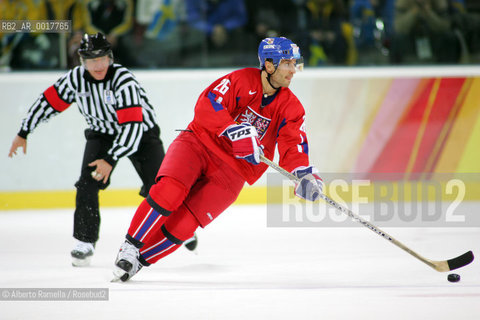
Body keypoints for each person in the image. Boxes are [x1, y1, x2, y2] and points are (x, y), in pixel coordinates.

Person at [112, 36, 324, 282]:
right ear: (269, 65)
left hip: (234, 171)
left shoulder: (291, 107)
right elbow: (208, 103)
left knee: (185, 224)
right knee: (169, 190)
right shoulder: (241, 80)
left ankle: (137, 261)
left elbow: (293, 145)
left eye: (294, 63)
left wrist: (303, 173)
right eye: (287, 63)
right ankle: (129, 246)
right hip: (199, 144)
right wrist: (232, 129)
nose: (292, 70)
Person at [8, 32, 172, 267]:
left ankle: (177, 226)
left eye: (103, 58)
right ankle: (85, 240)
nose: (98, 65)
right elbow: (48, 102)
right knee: (87, 183)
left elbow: (133, 127)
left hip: (141, 133)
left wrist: (110, 159)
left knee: (161, 186)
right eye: (91, 60)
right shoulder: (76, 79)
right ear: (82, 62)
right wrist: (24, 132)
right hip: (102, 133)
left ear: (110, 57)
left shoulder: (123, 80)